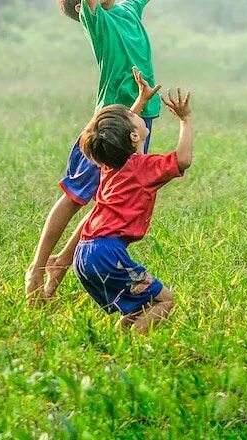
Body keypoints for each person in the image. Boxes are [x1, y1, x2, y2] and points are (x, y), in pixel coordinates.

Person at [25, 0, 206, 303]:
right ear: (80, 4)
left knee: (106, 204)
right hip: (110, 123)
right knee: (74, 196)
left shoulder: (128, 10)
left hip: (140, 120)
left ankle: (55, 278)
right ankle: (37, 270)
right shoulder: (98, 22)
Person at [73, 71, 193, 332]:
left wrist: (139, 101)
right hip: (107, 254)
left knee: (140, 306)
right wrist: (185, 120)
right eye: (134, 116)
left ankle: (120, 340)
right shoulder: (143, 167)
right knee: (165, 300)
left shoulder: (110, 163)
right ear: (134, 137)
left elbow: (117, 134)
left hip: (84, 253)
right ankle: (134, 348)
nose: (136, 113)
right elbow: (183, 159)